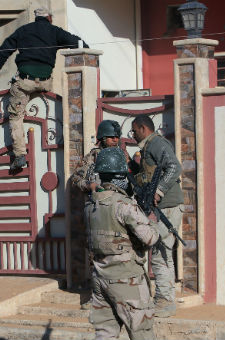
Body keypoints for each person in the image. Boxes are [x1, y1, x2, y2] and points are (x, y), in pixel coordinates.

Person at [0, 8, 89, 171]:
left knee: (16, 116)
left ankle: (19, 155)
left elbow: (5, 48)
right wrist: (89, 51)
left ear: (35, 18)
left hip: (25, 82)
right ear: (49, 18)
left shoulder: (24, 30)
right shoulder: (55, 32)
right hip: (46, 83)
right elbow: (78, 43)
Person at [85, 147, 168, 340]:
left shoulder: (90, 205)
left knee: (105, 334)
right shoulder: (124, 206)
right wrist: (150, 219)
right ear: (119, 177)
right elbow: (150, 238)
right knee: (142, 334)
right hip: (126, 280)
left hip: (100, 279)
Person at [130, 115, 184, 318]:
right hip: (163, 208)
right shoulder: (148, 148)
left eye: (134, 131)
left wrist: (159, 191)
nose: (133, 135)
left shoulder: (156, 144)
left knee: (161, 254)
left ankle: (164, 301)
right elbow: (150, 175)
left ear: (143, 128)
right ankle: (164, 298)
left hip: (167, 207)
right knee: (163, 253)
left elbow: (174, 167)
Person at [71, 120, 122, 193]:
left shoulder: (122, 157)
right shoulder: (92, 158)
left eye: (117, 137)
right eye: (112, 137)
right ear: (103, 138)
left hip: (119, 201)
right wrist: (89, 185)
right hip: (99, 200)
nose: (115, 140)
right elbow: (75, 179)